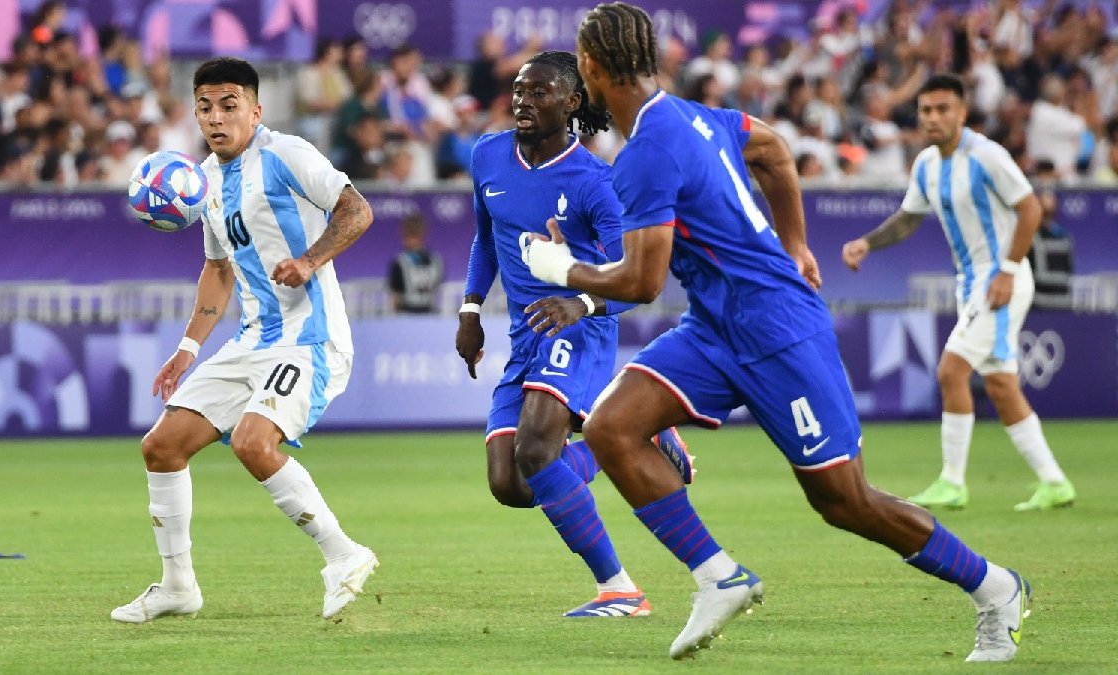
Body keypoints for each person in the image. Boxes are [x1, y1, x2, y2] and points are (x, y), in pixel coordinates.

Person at [522, 4, 1030, 662]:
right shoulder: (696, 118)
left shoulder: (648, 149)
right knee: (613, 426)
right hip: (715, 327)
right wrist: (795, 241)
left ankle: (995, 587)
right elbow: (772, 149)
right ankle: (719, 577)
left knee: (845, 501)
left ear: (590, 66)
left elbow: (644, 282)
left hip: (778, 331)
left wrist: (560, 268)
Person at [110, 57, 378, 624]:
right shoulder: (204, 182)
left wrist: (310, 260)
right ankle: (178, 586)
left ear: (255, 110)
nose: (216, 117)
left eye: (229, 105)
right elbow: (218, 270)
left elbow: (357, 211)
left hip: (310, 338)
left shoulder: (287, 155)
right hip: (253, 341)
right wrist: (187, 349)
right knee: (162, 446)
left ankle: (344, 555)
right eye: (205, 107)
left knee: (254, 443)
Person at [455, 50, 694, 619]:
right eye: (519, 90)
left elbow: (639, 281)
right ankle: (633, 436)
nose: (523, 102)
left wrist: (580, 301)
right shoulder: (488, 155)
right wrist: (470, 307)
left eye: (539, 93)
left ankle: (620, 589)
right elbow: (486, 238)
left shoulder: (596, 183)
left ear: (571, 103)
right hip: (525, 333)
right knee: (511, 484)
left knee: (537, 449)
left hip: (581, 327)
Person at [842, 73, 1075, 512]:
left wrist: (1007, 271)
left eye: (942, 109)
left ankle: (952, 482)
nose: (933, 117)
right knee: (1001, 385)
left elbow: (1030, 208)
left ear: (962, 112)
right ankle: (1055, 482)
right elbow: (909, 218)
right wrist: (867, 243)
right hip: (971, 283)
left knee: (951, 371)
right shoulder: (927, 164)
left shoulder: (987, 156)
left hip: (1000, 279)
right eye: (926, 110)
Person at [1027, 188, 1074, 310]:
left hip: (1062, 302)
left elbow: (1068, 269)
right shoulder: (1028, 237)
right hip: (1036, 304)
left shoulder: (1064, 237)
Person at [388, 212, 443, 313]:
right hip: (426, 312)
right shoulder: (435, 259)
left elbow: (395, 296)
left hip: (410, 313)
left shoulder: (400, 261)